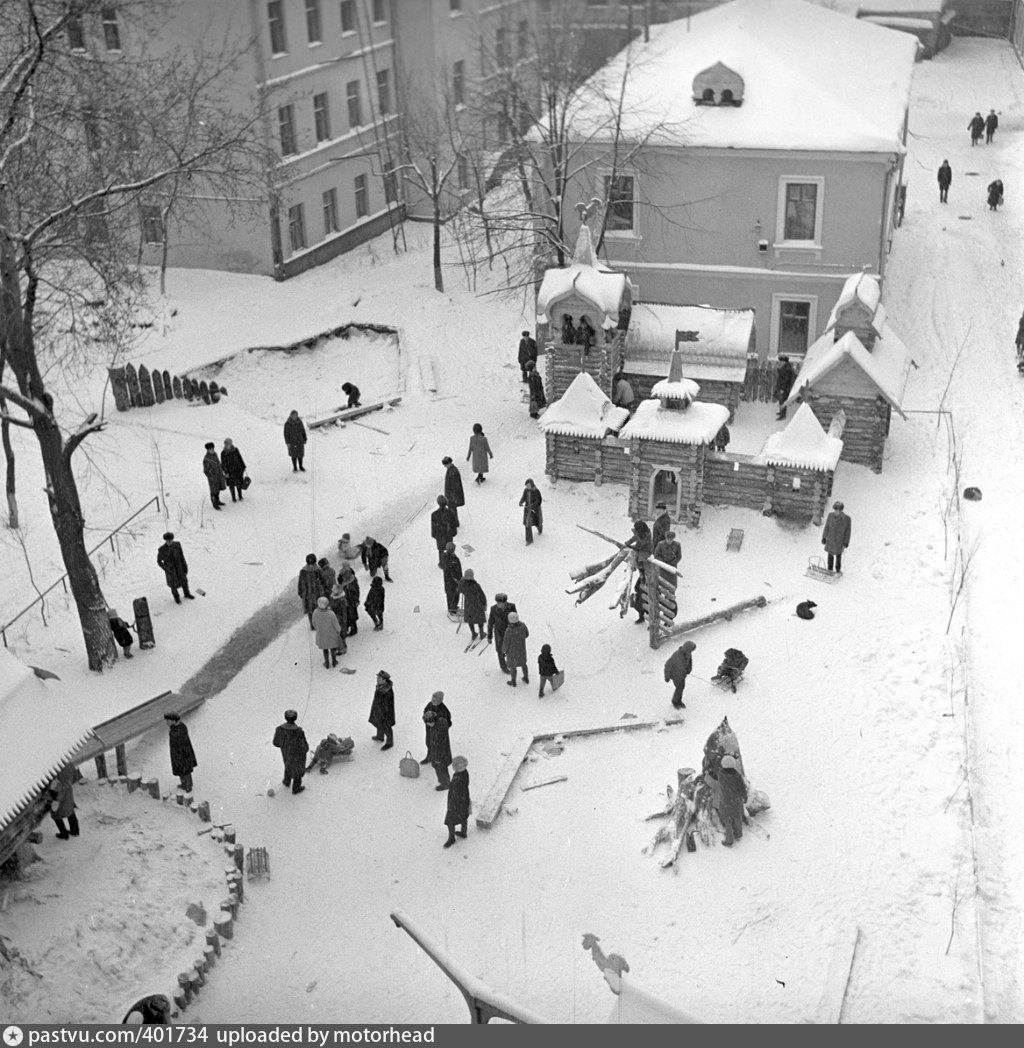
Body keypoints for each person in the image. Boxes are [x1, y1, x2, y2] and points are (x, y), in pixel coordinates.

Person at [273, 710, 309, 795]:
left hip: (286, 752)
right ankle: (296, 788)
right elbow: (304, 746)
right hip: (298, 755)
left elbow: (276, 743)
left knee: (288, 764)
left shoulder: (279, 729)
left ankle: (286, 781)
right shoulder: (299, 731)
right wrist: (304, 750)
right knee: (298, 770)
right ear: (295, 718)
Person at [626, 520, 653, 622]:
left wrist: (633, 547)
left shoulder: (647, 536)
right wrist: (629, 543)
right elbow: (635, 538)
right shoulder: (639, 534)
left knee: (647, 595)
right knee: (639, 590)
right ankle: (641, 616)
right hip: (643, 576)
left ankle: (650, 618)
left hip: (647, 577)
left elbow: (641, 545)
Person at [717, 754, 747, 847]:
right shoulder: (737, 776)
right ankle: (738, 833)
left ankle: (729, 839)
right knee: (737, 818)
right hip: (736, 800)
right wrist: (744, 797)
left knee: (727, 820)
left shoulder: (721, 775)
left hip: (725, 801)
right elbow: (742, 787)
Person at [164, 712, 197, 792]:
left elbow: (180, 744)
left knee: (185, 770)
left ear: (173, 721)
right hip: (179, 753)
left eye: (168, 720)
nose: (167, 723)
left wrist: (179, 755)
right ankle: (184, 784)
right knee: (181, 770)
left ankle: (188, 786)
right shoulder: (179, 727)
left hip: (182, 754)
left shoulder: (178, 731)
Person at [157, 532, 193, 604]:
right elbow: (159, 561)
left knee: (184, 582)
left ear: (173, 539)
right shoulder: (162, 549)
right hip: (171, 571)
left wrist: (185, 566)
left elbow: (182, 556)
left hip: (180, 568)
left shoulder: (177, 545)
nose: (169, 542)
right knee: (173, 585)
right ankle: (176, 598)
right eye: (168, 541)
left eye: (170, 540)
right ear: (165, 541)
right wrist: (166, 568)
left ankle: (187, 594)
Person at [444, 756, 470, 848]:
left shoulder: (458, 778)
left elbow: (456, 791)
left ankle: (451, 838)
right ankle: (463, 832)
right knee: (463, 815)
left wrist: (452, 803)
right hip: (463, 800)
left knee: (450, 820)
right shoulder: (464, 773)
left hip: (456, 802)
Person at [487, 593, 517, 674]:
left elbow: (515, 619)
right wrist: (489, 636)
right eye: (497, 602)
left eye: (500, 603)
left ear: (505, 602)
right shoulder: (493, 609)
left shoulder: (512, 607)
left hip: (509, 632)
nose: (498, 604)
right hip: (499, 633)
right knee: (500, 651)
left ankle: (509, 662)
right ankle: (503, 667)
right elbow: (490, 622)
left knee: (510, 649)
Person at [420, 691, 453, 765]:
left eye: (435, 699)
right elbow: (425, 712)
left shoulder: (443, 709)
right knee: (429, 742)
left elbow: (446, 722)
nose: (433, 701)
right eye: (433, 699)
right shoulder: (429, 704)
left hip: (439, 731)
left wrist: (435, 724)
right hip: (430, 729)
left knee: (440, 745)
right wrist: (426, 720)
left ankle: (442, 760)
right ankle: (429, 757)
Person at [423, 707, 452, 791]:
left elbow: (440, 745)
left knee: (441, 768)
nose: (427, 725)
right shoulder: (440, 723)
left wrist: (438, 758)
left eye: (428, 723)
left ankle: (445, 783)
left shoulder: (438, 730)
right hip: (439, 753)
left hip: (440, 755)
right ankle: (443, 780)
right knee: (440, 768)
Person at [48, 764, 79, 840]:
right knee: (70, 810)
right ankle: (75, 831)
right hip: (68, 793)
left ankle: (64, 833)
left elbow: (52, 786)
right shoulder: (69, 765)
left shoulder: (52, 769)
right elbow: (75, 778)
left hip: (58, 797)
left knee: (56, 815)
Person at [311, 596, 343, 668]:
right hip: (331, 634)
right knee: (332, 648)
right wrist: (338, 630)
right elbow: (336, 624)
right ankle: (334, 661)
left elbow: (313, 622)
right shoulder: (331, 613)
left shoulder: (316, 612)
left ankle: (327, 662)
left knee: (325, 649)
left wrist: (318, 628)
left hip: (322, 634)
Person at [821, 499, 851, 574]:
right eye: (835, 509)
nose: (836, 511)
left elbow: (848, 532)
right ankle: (829, 570)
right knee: (830, 556)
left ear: (841, 510)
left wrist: (846, 542)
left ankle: (837, 571)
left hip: (839, 541)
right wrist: (824, 537)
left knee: (838, 556)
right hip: (831, 539)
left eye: (837, 510)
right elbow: (826, 527)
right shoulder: (830, 516)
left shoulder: (847, 519)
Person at [664, 640, 695, 709]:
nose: (691, 651)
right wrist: (667, 676)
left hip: (682, 675)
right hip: (675, 675)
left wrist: (688, 670)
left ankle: (679, 701)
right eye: (691, 650)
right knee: (679, 688)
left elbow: (689, 662)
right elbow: (667, 665)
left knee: (682, 687)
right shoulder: (677, 655)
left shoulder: (688, 653)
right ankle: (675, 701)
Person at [457, 568, 487, 640]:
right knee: (480, 619)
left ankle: (473, 633)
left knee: (470, 619)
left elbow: (458, 591)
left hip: (468, 604)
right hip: (477, 604)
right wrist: (484, 603)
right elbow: (482, 595)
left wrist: (461, 581)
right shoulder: (476, 586)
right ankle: (481, 633)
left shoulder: (463, 585)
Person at [369, 670, 395, 750]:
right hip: (378, 709)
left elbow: (387, 705)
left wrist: (384, 714)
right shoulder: (380, 686)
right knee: (378, 722)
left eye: (379, 677)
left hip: (385, 713)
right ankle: (380, 736)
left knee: (386, 726)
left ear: (384, 680)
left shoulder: (387, 691)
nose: (377, 679)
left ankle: (389, 742)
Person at [431, 495, 459, 568]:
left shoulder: (434, 514)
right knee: (449, 548)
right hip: (448, 534)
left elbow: (433, 528)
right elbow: (454, 525)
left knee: (440, 550)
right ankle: (450, 562)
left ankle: (442, 563)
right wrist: (453, 533)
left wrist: (435, 535)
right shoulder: (451, 513)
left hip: (439, 535)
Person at [502, 612, 530, 687]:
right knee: (524, 664)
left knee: (512, 666)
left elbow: (506, 642)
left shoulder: (509, 630)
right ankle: (526, 677)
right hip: (521, 650)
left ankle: (513, 681)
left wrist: (503, 650)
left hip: (512, 652)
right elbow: (527, 634)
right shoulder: (523, 626)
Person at [298, 553, 326, 628]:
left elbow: (300, 584)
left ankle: (313, 624)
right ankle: (319, 623)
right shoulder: (318, 570)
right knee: (319, 608)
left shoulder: (303, 571)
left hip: (307, 595)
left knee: (310, 611)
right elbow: (323, 581)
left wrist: (301, 594)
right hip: (318, 594)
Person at [442, 456, 465, 527]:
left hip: (452, 495)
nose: (445, 466)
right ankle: (454, 522)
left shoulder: (453, 471)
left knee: (452, 509)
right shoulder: (451, 469)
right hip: (451, 495)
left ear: (449, 463)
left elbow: (455, 485)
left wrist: (451, 496)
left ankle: (454, 523)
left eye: (445, 465)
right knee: (452, 509)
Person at [202, 441, 225, 510]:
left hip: (219, 475)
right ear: (208, 450)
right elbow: (206, 471)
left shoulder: (215, 454)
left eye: (213, 449)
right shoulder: (206, 459)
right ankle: (214, 503)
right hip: (212, 478)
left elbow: (218, 463)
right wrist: (211, 475)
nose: (213, 450)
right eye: (211, 449)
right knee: (213, 490)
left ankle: (218, 501)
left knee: (218, 489)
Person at [519, 478, 543, 545]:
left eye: (528, 485)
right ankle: (529, 540)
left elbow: (538, 500)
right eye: (526, 485)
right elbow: (524, 497)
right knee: (528, 524)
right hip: (528, 510)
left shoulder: (536, 491)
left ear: (532, 484)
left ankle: (540, 528)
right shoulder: (526, 490)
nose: (527, 487)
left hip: (535, 510)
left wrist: (532, 506)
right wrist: (521, 502)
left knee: (537, 522)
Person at [441, 541, 463, 614]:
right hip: (453, 581)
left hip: (448, 580)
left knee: (450, 594)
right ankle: (452, 609)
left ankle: (451, 607)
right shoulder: (452, 559)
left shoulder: (445, 557)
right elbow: (454, 571)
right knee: (454, 594)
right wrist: (458, 579)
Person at [340, 565, 360, 636]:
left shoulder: (351, 582)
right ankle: (349, 626)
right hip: (348, 601)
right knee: (349, 614)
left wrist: (356, 599)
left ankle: (353, 629)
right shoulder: (348, 580)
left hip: (351, 601)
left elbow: (356, 591)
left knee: (351, 615)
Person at [774, 356, 796, 420]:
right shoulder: (785, 367)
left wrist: (782, 389)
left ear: (784, 362)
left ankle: (783, 415)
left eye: (781, 361)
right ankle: (781, 412)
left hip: (784, 388)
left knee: (782, 400)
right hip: (783, 387)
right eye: (779, 361)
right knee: (781, 400)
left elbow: (785, 380)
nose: (780, 362)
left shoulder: (787, 369)